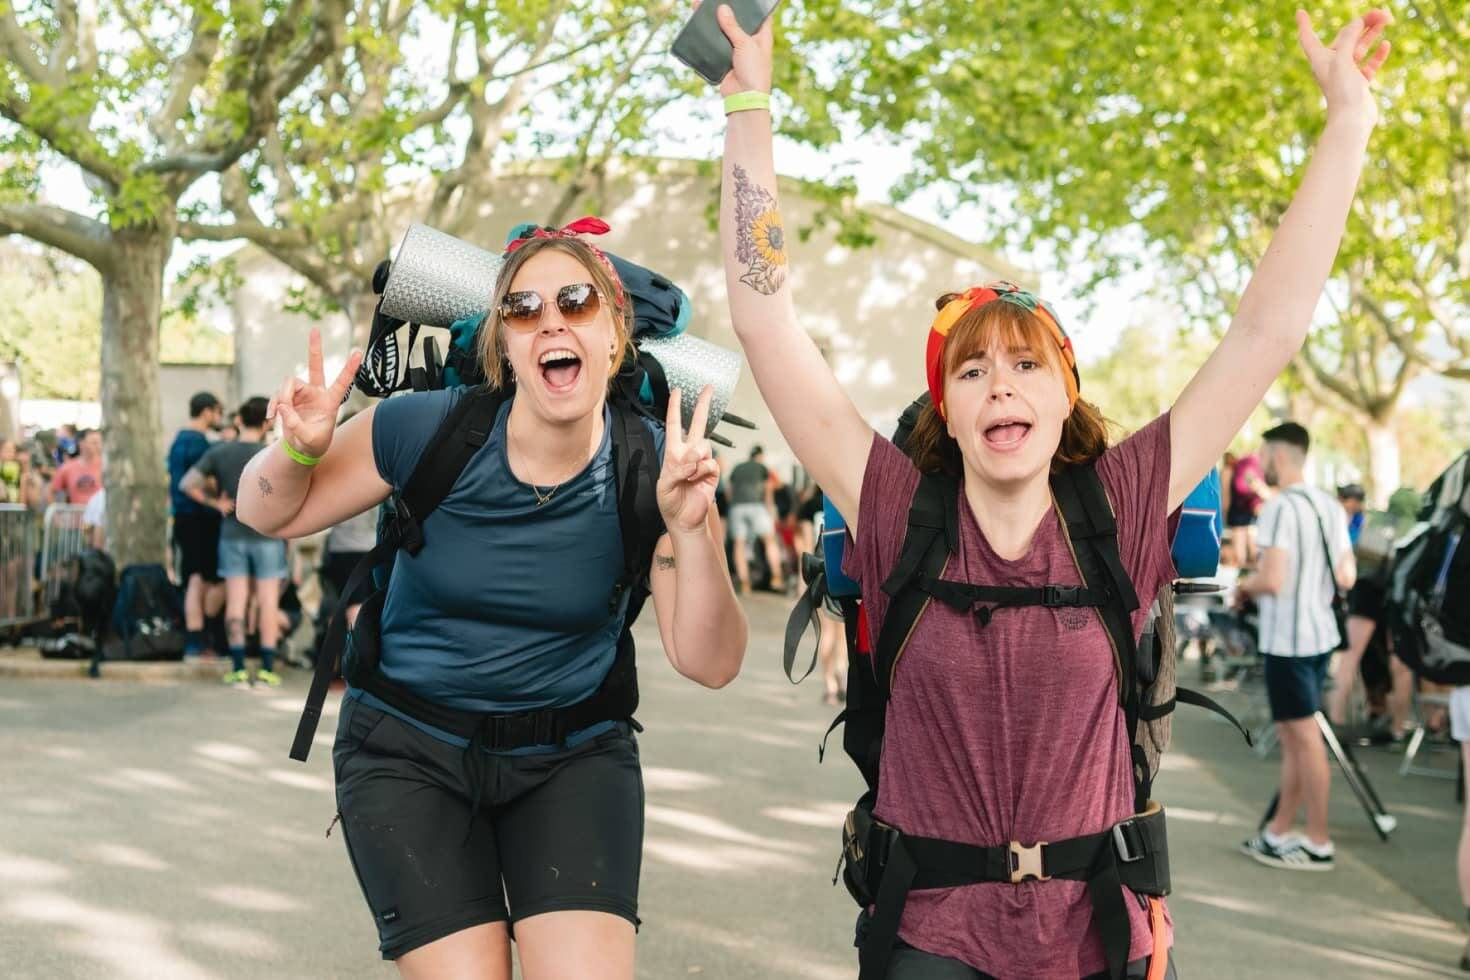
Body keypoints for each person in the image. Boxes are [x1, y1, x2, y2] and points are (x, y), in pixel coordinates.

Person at [713, 5, 1389, 975]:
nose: (1000, 383)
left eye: (1027, 365)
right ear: (945, 411)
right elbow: (766, 319)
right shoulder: (898, 506)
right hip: (929, 939)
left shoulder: (1120, 498)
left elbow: (1266, 331)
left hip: (1092, 939)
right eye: (973, 370)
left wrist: (1348, 122)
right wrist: (751, 105)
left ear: (1067, 397)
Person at [234, 225, 747, 978]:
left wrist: (690, 525)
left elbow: (710, 662)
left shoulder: (651, 464)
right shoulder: (428, 428)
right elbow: (263, 511)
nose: (551, 322)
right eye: (523, 309)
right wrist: (301, 447)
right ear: (503, 344)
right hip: (408, 749)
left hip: (573, 756)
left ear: (614, 334)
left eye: (576, 302)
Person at [1236, 422, 1356, 871]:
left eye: (1265, 455)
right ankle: (1278, 831)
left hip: (1288, 639)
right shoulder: (1329, 505)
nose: (1262, 463)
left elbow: (1272, 578)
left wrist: (1244, 587)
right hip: (1320, 635)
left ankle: (1319, 841)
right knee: (1293, 739)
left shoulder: (1280, 508)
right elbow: (1347, 577)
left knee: (1304, 741)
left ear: (1280, 456)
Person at [182, 397, 289, 689]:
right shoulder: (274, 453)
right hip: (267, 535)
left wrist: (215, 503)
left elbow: (186, 483)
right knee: (268, 602)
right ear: (267, 422)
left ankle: (239, 668)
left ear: (239, 419)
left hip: (232, 534)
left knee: (236, 601)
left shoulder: (220, 452)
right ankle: (267, 669)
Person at [169, 392, 226, 659]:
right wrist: (215, 500)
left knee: (192, 577)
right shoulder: (201, 444)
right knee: (201, 579)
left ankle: (195, 637)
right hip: (201, 519)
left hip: (182, 518)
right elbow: (207, 482)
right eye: (218, 412)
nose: (219, 418)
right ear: (207, 412)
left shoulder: (177, 442)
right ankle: (199, 638)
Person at [727, 445, 784, 592]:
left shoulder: (737, 468)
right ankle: (777, 577)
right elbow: (768, 489)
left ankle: (744, 583)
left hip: (737, 507)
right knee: (769, 540)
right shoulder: (762, 467)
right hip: (756, 506)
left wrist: (732, 506)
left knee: (739, 545)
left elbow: (729, 490)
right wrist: (770, 511)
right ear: (760, 456)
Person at [50, 428, 103, 506]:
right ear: (81, 444)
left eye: (100, 442)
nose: (98, 446)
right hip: (76, 516)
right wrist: (57, 515)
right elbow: (51, 491)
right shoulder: (67, 467)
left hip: (100, 517)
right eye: (94, 443)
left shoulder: (107, 467)